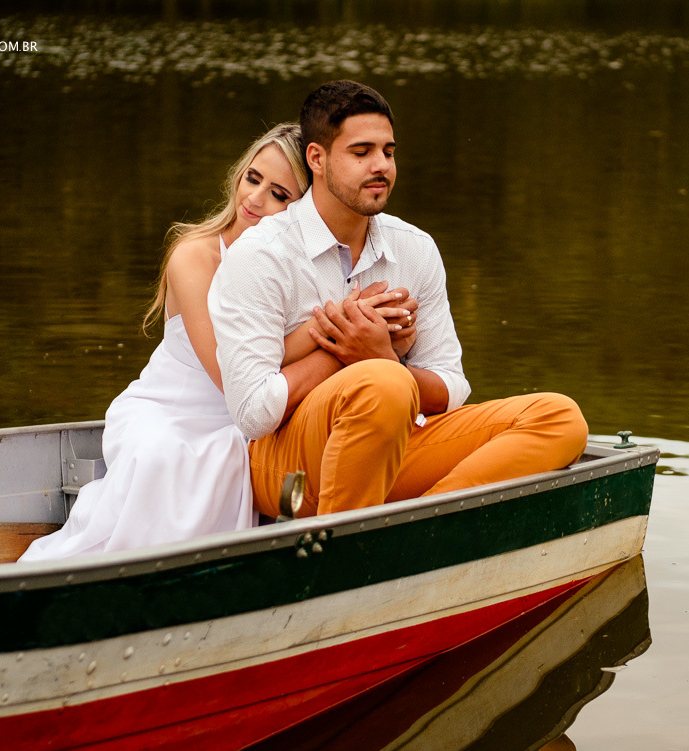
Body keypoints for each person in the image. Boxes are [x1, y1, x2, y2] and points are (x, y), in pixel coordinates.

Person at [19, 122, 406, 560]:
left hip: (262, 417)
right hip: (178, 411)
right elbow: (231, 371)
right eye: (252, 178)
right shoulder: (195, 255)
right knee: (168, 458)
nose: (254, 199)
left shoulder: (305, 268)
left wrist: (381, 333)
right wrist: (342, 334)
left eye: (279, 195)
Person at [208, 81, 589, 520]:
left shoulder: (415, 248)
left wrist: (383, 355)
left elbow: (452, 388)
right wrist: (349, 352)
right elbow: (253, 413)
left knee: (559, 418)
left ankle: (425, 530)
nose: (381, 166)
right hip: (287, 467)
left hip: (395, 445)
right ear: (317, 158)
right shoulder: (261, 255)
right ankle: (346, 544)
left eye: (388, 152)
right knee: (382, 383)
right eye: (361, 152)